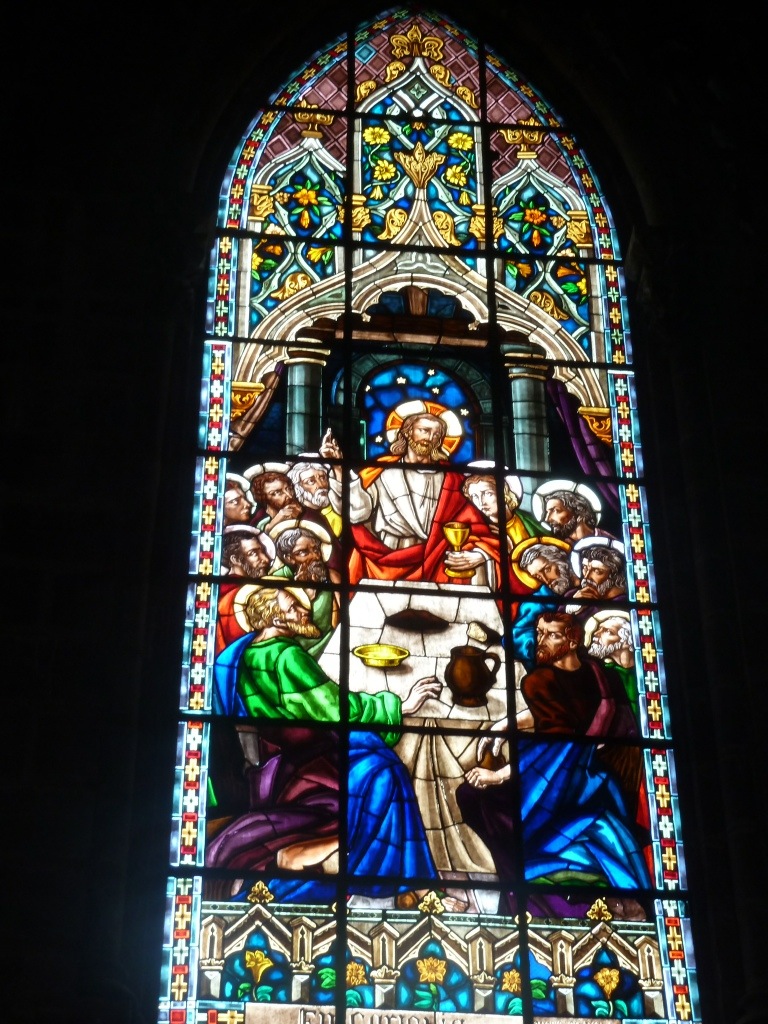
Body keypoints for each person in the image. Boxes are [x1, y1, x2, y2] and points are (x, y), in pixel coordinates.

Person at [209, 585, 442, 900]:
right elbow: (336, 710)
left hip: (280, 763)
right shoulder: (286, 657)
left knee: (376, 758)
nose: (303, 610)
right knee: (384, 772)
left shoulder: (243, 653)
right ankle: (396, 877)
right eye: (293, 607)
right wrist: (398, 706)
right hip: (311, 765)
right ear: (273, 618)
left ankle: (409, 878)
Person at [455, 610, 649, 914]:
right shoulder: (569, 677)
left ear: (572, 642)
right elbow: (553, 721)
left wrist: (499, 776)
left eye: (551, 635)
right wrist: (504, 725)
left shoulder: (584, 678)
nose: (540, 641)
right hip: (566, 772)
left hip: (572, 783)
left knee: (477, 799)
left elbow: (557, 747)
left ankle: (518, 891)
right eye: (539, 633)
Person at [319, 413, 500, 585]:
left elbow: (475, 527)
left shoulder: (453, 479)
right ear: (407, 432)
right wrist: (338, 467)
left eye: (436, 434)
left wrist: (481, 554)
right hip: (389, 558)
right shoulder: (382, 472)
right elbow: (358, 513)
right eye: (424, 430)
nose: (430, 438)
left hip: (438, 560)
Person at [272, 524, 339, 656]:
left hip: (331, 645)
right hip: (292, 652)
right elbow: (275, 630)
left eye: (316, 549)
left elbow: (346, 615)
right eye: (303, 552)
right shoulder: (275, 582)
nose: (315, 556)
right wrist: (305, 596)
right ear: (289, 558)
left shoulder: (332, 577)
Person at [461, 473, 538, 549]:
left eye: (488, 493)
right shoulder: (476, 531)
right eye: (474, 496)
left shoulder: (530, 522)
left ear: (505, 493)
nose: (481, 502)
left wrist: (510, 548)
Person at [536, 488, 615, 546]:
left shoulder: (608, 540)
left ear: (578, 511)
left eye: (556, 510)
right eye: (547, 512)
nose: (547, 519)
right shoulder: (559, 546)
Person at [287, 461, 342, 538]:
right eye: (311, 481)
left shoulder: (337, 513)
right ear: (298, 488)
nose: (321, 485)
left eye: (323, 478)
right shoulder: (295, 516)